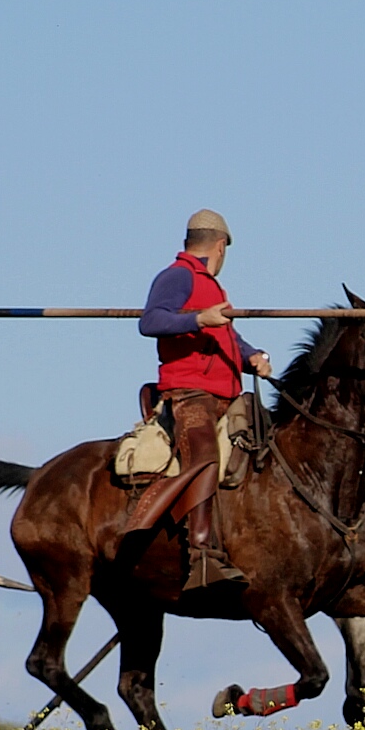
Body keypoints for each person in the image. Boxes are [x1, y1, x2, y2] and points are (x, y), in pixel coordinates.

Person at [129, 209, 272, 590]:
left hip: (227, 394)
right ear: (221, 247)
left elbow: (226, 340)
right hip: (189, 393)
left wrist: (250, 355)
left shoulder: (210, 288)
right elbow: (151, 321)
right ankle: (201, 556)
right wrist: (197, 320)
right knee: (205, 456)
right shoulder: (178, 276)